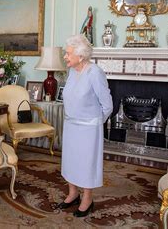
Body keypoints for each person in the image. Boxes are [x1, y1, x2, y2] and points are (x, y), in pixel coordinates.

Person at [56, 34, 113, 217]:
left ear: (80, 56)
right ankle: (73, 193)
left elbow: (107, 105)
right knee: (71, 161)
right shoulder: (72, 71)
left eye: (68, 54)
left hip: (89, 128)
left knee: (87, 163)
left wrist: (95, 123)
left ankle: (87, 198)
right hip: (71, 125)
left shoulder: (94, 72)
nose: (65, 57)